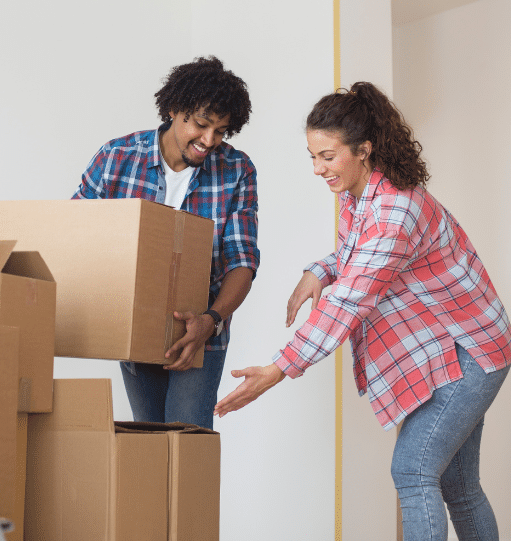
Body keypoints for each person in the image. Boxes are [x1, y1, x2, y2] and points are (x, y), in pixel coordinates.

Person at [214, 82, 511, 541]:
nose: (317, 169)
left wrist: (277, 369)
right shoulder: (361, 196)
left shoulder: (395, 209)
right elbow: (356, 259)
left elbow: (351, 299)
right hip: (449, 347)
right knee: (458, 484)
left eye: (328, 156)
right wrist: (319, 269)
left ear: (364, 150)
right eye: (312, 157)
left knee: (413, 471)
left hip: (472, 351)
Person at [73, 56, 260, 430]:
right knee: (150, 441)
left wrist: (211, 320)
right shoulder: (117, 158)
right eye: (201, 125)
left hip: (201, 330)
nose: (209, 141)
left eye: (221, 131)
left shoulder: (236, 170)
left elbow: (242, 260)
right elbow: (76, 233)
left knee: (187, 439)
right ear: (175, 109)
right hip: (136, 321)